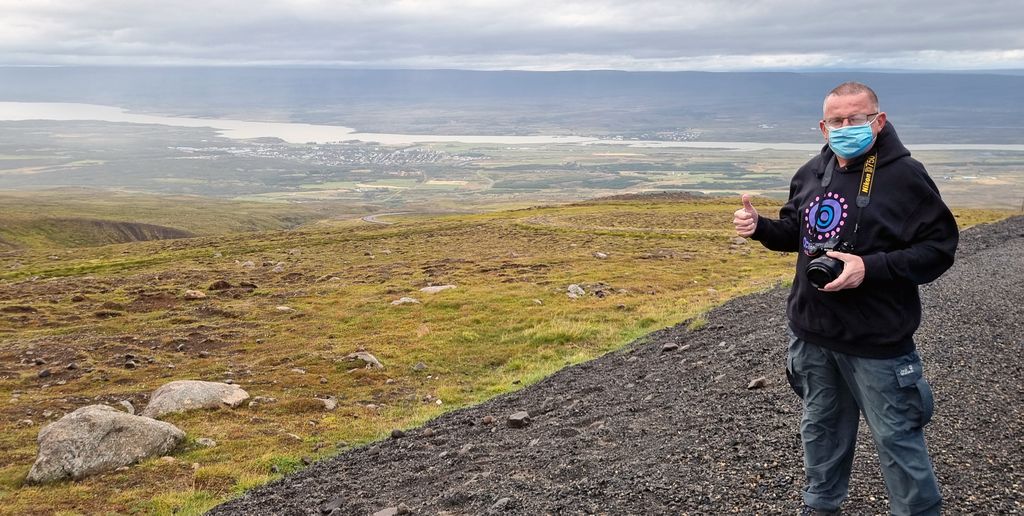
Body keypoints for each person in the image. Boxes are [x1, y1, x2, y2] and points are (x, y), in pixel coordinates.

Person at [733, 82, 958, 516]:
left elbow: (939, 250)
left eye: (856, 118)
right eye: (837, 121)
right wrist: (760, 226)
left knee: (897, 439)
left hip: (877, 343)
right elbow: (796, 234)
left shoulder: (905, 176)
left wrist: (868, 268)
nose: (846, 127)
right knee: (820, 432)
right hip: (813, 336)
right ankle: (820, 508)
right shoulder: (810, 173)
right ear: (823, 126)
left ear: (879, 120)